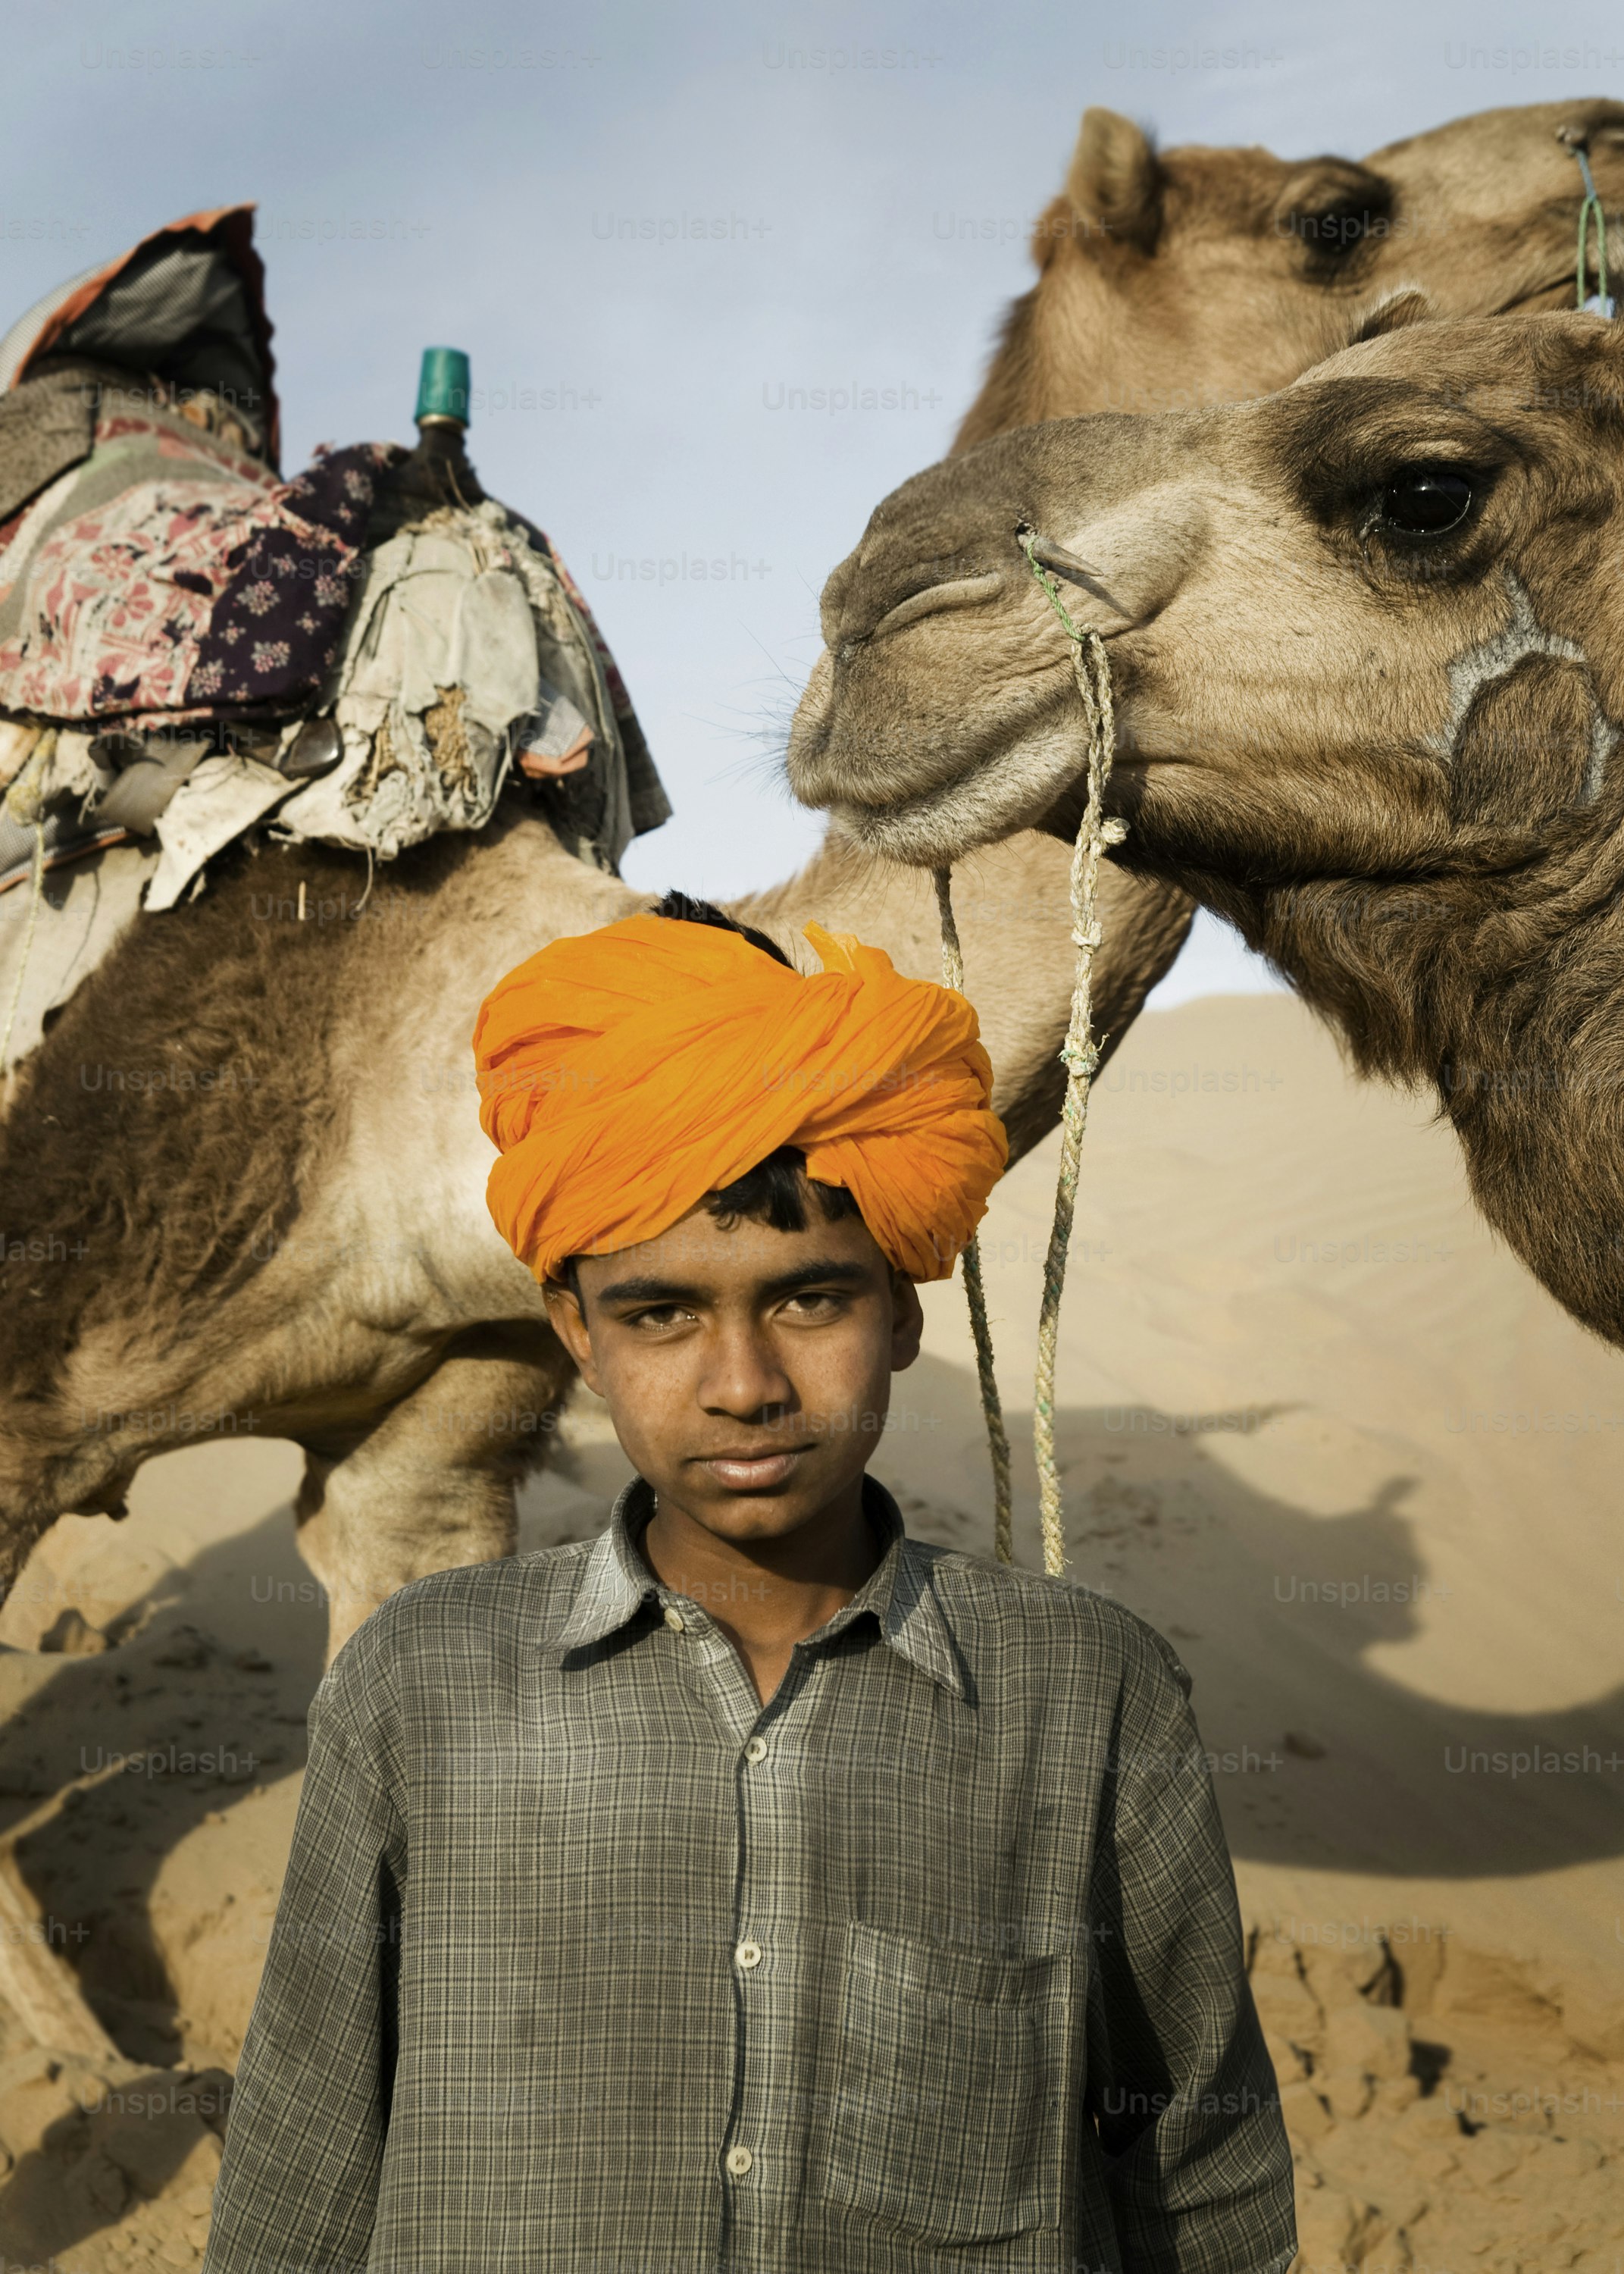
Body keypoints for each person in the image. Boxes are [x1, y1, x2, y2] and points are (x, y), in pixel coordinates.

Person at [202, 892, 1296, 2274]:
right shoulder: (418, 1684)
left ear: (900, 1308)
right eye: (660, 1314)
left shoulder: (1091, 1694)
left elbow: (1199, 2176)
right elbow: (302, 2159)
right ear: (577, 1336)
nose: (743, 1388)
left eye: (809, 1300)